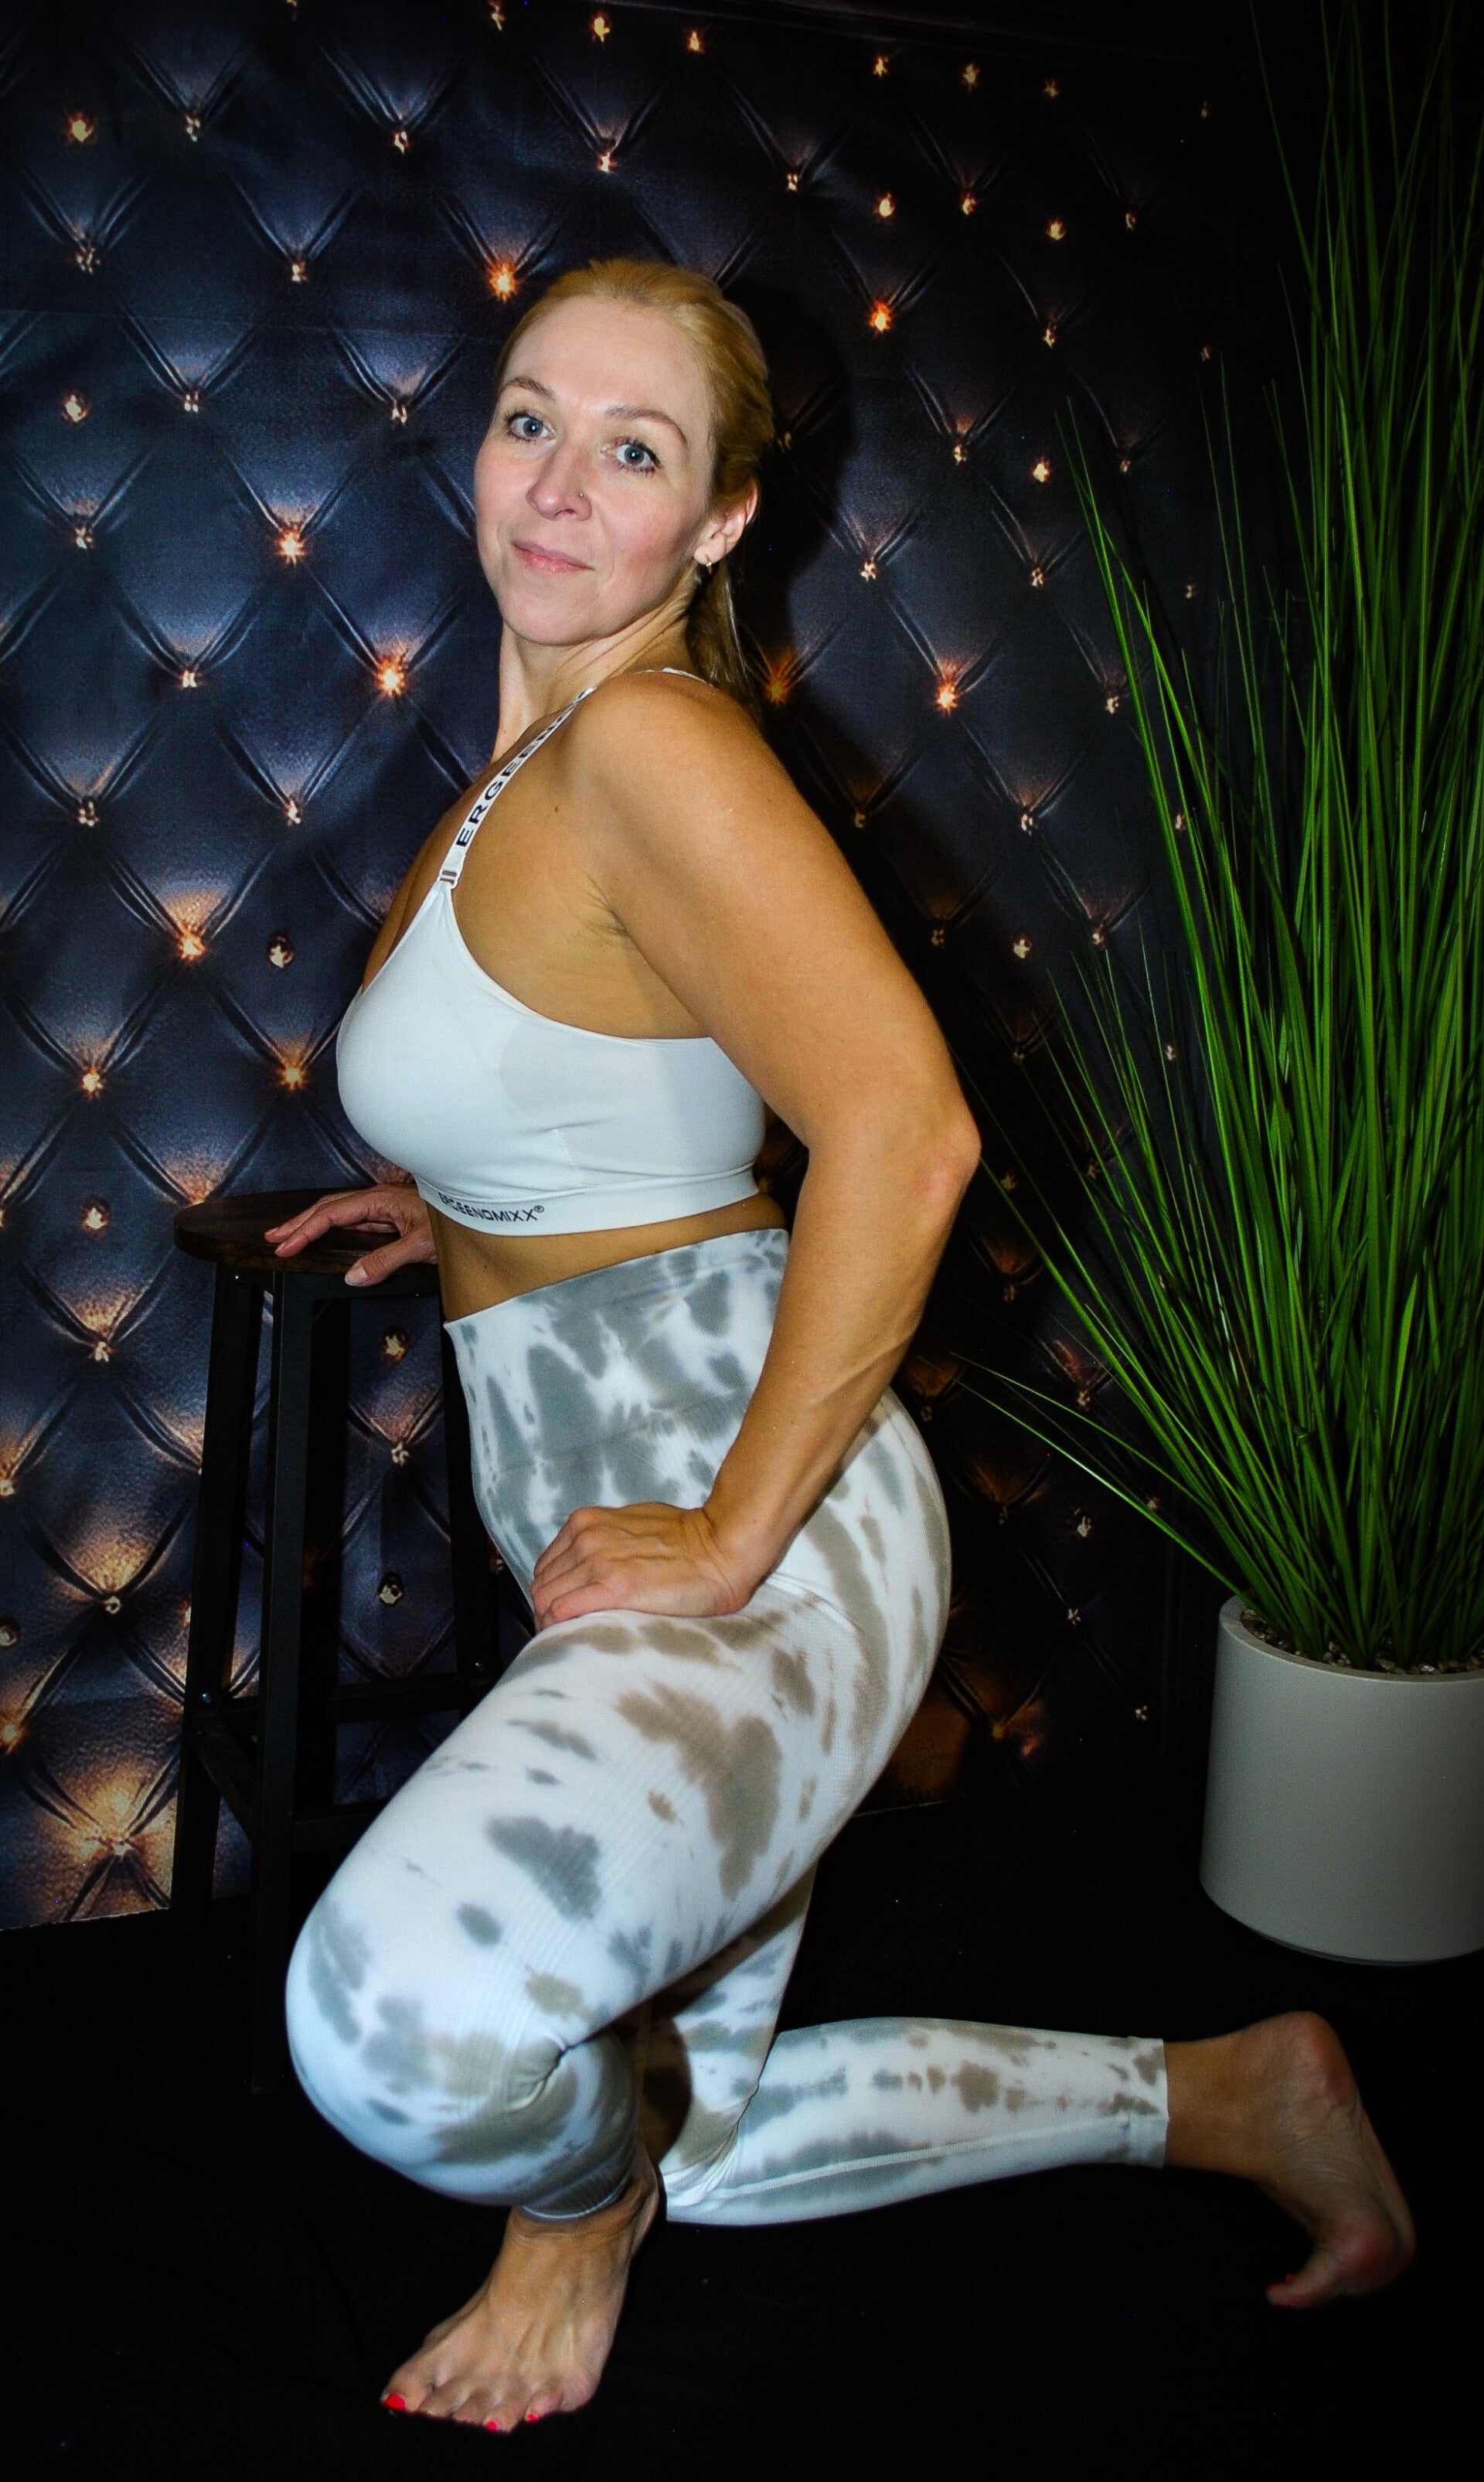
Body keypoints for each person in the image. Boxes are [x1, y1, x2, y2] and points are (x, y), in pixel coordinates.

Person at [267, 257, 1414, 2436]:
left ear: (721, 519)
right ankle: (1237, 2094)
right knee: (701, 2137)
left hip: (769, 1513)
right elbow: (640, 1090)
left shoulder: (652, 741)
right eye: (530, 418)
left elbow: (909, 1128)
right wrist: (467, 1207)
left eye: (635, 449)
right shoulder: (531, 770)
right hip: (637, 1458)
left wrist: (724, 1538)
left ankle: (573, 2213)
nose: (559, 483)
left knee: (404, 2024)